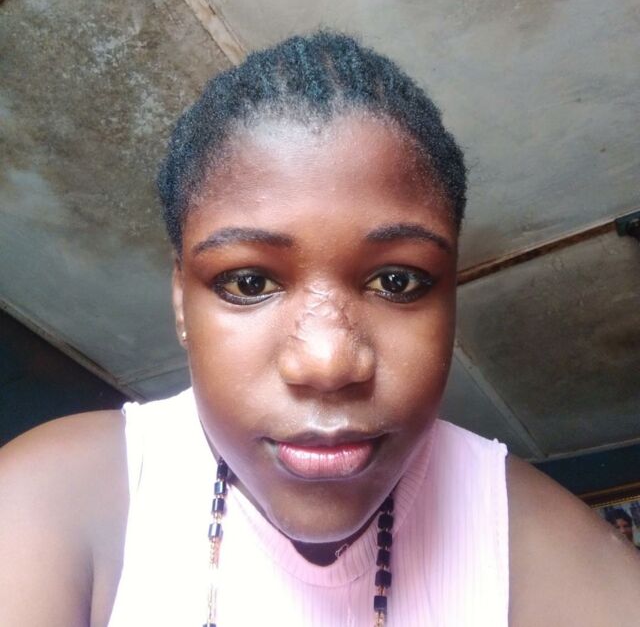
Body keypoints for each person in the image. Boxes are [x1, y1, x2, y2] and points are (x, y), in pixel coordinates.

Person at [0, 32, 639, 626]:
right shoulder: (56, 499)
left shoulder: (535, 544)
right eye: (249, 282)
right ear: (180, 303)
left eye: (398, 281)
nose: (328, 362)